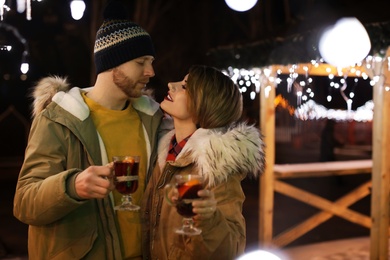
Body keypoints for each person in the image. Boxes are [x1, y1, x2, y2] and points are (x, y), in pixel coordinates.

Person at [13, 1, 171, 259]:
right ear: (112, 63)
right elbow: (24, 203)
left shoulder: (153, 120)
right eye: (141, 61)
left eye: (151, 61)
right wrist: (71, 187)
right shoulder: (59, 120)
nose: (151, 71)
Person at [141, 65, 265, 259]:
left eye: (184, 86)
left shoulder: (216, 167)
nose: (170, 85)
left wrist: (208, 219)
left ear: (204, 104)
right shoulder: (160, 152)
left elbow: (230, 248)